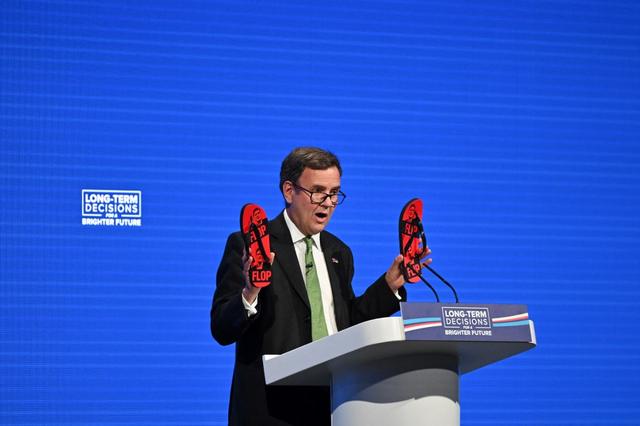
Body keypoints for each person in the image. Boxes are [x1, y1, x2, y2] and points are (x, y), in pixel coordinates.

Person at [210, 147, 429, 426]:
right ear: (289, 191)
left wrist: (389, 286)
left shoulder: (339, 252)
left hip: (334, 406)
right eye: (317, 192)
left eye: (334, 192)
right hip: (270, 412)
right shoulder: (248, 245)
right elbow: (221, 327)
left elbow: (346, 325)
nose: (327, 203)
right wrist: (251, 291)